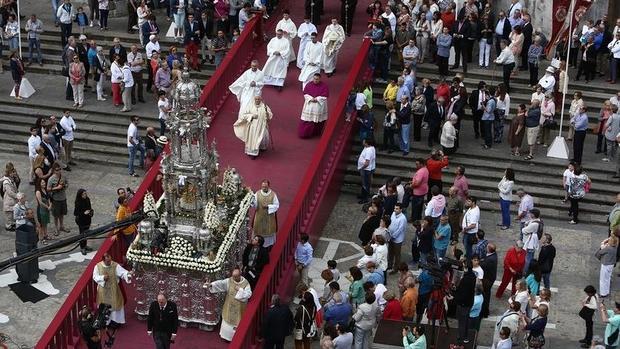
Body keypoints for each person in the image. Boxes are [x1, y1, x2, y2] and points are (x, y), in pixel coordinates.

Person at [204, 267, 252, 341]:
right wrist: (211, 285)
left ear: (240, 275)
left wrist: (240, 290)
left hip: (239, 309)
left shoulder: (245, 283)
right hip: (229, 306)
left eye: (236, 277)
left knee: (238, 324)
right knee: (227, 324)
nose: (234, 278)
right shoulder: (229, 281)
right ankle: (226, 337)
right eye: (233, 276)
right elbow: (221, 283)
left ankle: (237, 338)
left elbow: (248, 294)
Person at [92, 253, 132, 325]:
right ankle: (105, 322)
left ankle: (116, 321)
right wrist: (102, 278)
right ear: (103, 261)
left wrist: (128, 274)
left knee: (115, 304)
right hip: (103, 290)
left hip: (114, 289)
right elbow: (95, 276)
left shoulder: (115, 265)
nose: (109, 262)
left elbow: (123, 272)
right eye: (107, 261)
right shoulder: (97, 266)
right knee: (104, 306)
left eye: (110, 260)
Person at [299, 73, 329, 138]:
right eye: (314, 79)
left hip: (319, 106)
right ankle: (305, 134)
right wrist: (310, 98)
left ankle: (316, 133)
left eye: (317, 79)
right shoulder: (309, 85)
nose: (315, 80)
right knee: (307, 120)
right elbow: (305, 93)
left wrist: (317, 99)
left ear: (320, 79)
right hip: (310, 105)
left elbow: (325, 95)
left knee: (318, 121)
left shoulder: (324, 86)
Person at [14, 208, 39, 284]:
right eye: (31, 213)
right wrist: (36, 232)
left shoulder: (32, 221)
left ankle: (35, 269)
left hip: (32, 243)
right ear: (27, 215)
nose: (32, 214)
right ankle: (31, 275)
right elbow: (32, 235)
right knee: (30, 260)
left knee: (34, 259)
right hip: (30, 244)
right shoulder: (29, 224)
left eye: (32, 213)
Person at [455, 261, 476, 344]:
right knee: (465, 320)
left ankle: (461, 338)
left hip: (463, 304)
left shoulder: (466, 279)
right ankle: (465, 336)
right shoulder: (473, 276)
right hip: (469, 302)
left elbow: (463, 294)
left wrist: (455, 297)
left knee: (462, 322)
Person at [47, 164, 69, 235]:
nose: (59, 171)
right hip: (55, 199)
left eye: (60, 169)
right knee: (56, 215)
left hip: (63, 198)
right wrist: (57, 188)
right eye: (57, 170)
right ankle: (56, 228)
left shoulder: (63, 177)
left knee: (62, 213)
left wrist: (64, 186)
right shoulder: (51, 179)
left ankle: (61, 226)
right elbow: (48, 189)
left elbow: (67, 184)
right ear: (54, 171)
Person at [74, 189, 94, 255]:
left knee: (86, 233)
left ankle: (85, 245)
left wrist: (90, 212)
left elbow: (90, 207)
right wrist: (84, 213)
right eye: (83, 194)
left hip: (87, 219)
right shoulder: (78, 202)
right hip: (81, 220)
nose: (85, 195)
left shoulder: (87, 199)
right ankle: (82, 247)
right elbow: (76, 213)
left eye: (85, 193)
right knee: (82, 234)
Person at [388, 203, 406, 273]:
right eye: (395, 208)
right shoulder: (393, 214)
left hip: (397, 239)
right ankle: (389, 265)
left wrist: (393, 236)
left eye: (397, 209)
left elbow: (400, 229)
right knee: (390, 252)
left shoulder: (403, 218)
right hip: (391, 237)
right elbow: (390, 223)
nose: (395, 210)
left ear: (401, 210)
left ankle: (396, 268)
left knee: (397, 255)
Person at [481, 243, 498, 318]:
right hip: (490, 278)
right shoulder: (492, 255)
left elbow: (483, 266)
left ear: (489, 250)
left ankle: (484, 311)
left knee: (485, 295)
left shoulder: (490, 259)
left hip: (488, 279)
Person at [357, 138, 376, 204]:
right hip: (368, 169)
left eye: (364, 141)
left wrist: (361, 168)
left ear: (367, 143)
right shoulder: (370, 148)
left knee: (365, 184)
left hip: (365, 169)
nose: (363, 142)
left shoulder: (368, 151)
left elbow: (367, 163)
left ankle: (365, 198)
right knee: (366, 183)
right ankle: (364, 195)